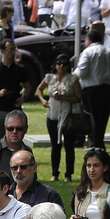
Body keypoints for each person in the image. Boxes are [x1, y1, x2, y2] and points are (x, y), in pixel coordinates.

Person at [36, 55, 82, 183]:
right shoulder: (50, 77)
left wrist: (64, 98)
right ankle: (54, 173)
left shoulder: (73, 79)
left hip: (68, 117)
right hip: (52, 115)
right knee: (55, 146)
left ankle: (68, 174)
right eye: (59, 63)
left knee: (69, 146)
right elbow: (39, 89)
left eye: (65, 64)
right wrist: (43, 100)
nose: (62, 66)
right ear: (55, 65)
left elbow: (79, 97)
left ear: (68, 66)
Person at [75, 30, 110, 151]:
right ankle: (98, 143)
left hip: (92, 89)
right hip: (109, 89)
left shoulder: (88, 52)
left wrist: (72, 75)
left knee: (91, 118)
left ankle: (96, 144)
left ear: (88, 40)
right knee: (102, 119)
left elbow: (81, 72)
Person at [0, 40, 31, 144]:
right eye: (10, 49)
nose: (13, 52)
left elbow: (27, 86)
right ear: (2, 51)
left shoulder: (20, 69)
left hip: (14, 109)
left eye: (14, 49)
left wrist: (23, 97)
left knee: (15, 141)